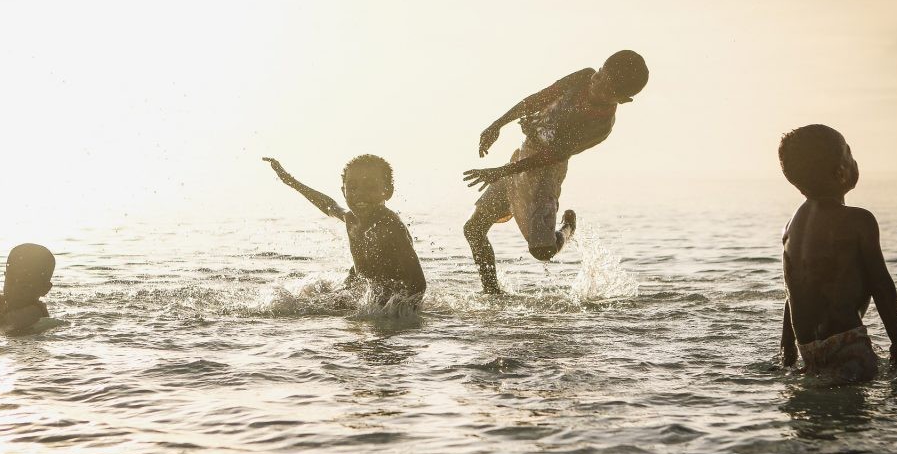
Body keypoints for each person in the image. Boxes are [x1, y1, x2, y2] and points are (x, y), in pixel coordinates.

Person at [462, 50, 649, 293]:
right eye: (601, 74)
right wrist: (497, 124)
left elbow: (553, 155)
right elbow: (540, 98)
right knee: (473, 229)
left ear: (623, 100)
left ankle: (568, 227)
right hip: (524, 155)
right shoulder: (584, 76)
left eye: (607, 87)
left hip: (545, 172)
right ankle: (492, 293)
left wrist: (502, 171)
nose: (596, 84)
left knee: (542, 251)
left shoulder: (600, 126)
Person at [778, 124, 897, 382]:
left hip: (807, 348)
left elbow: (793, 289)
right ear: (842, 172)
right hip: (847, 342)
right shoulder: (859, 221)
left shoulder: (791, 227)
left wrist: (787, 349)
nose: (855, 160)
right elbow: (881, 284)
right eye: (849, 154)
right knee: (857, 417)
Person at [263, 154, 426, 305]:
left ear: (387, 191)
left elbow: (418, 284)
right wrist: (291, 181)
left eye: (370, 187)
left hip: (386, 296)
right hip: (358, 288)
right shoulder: (351, 219)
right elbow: (329, 205)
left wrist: (394, 313)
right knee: (298, 301)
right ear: (343, 191)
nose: (360, 194)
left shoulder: (391, 227)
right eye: (353, 187)